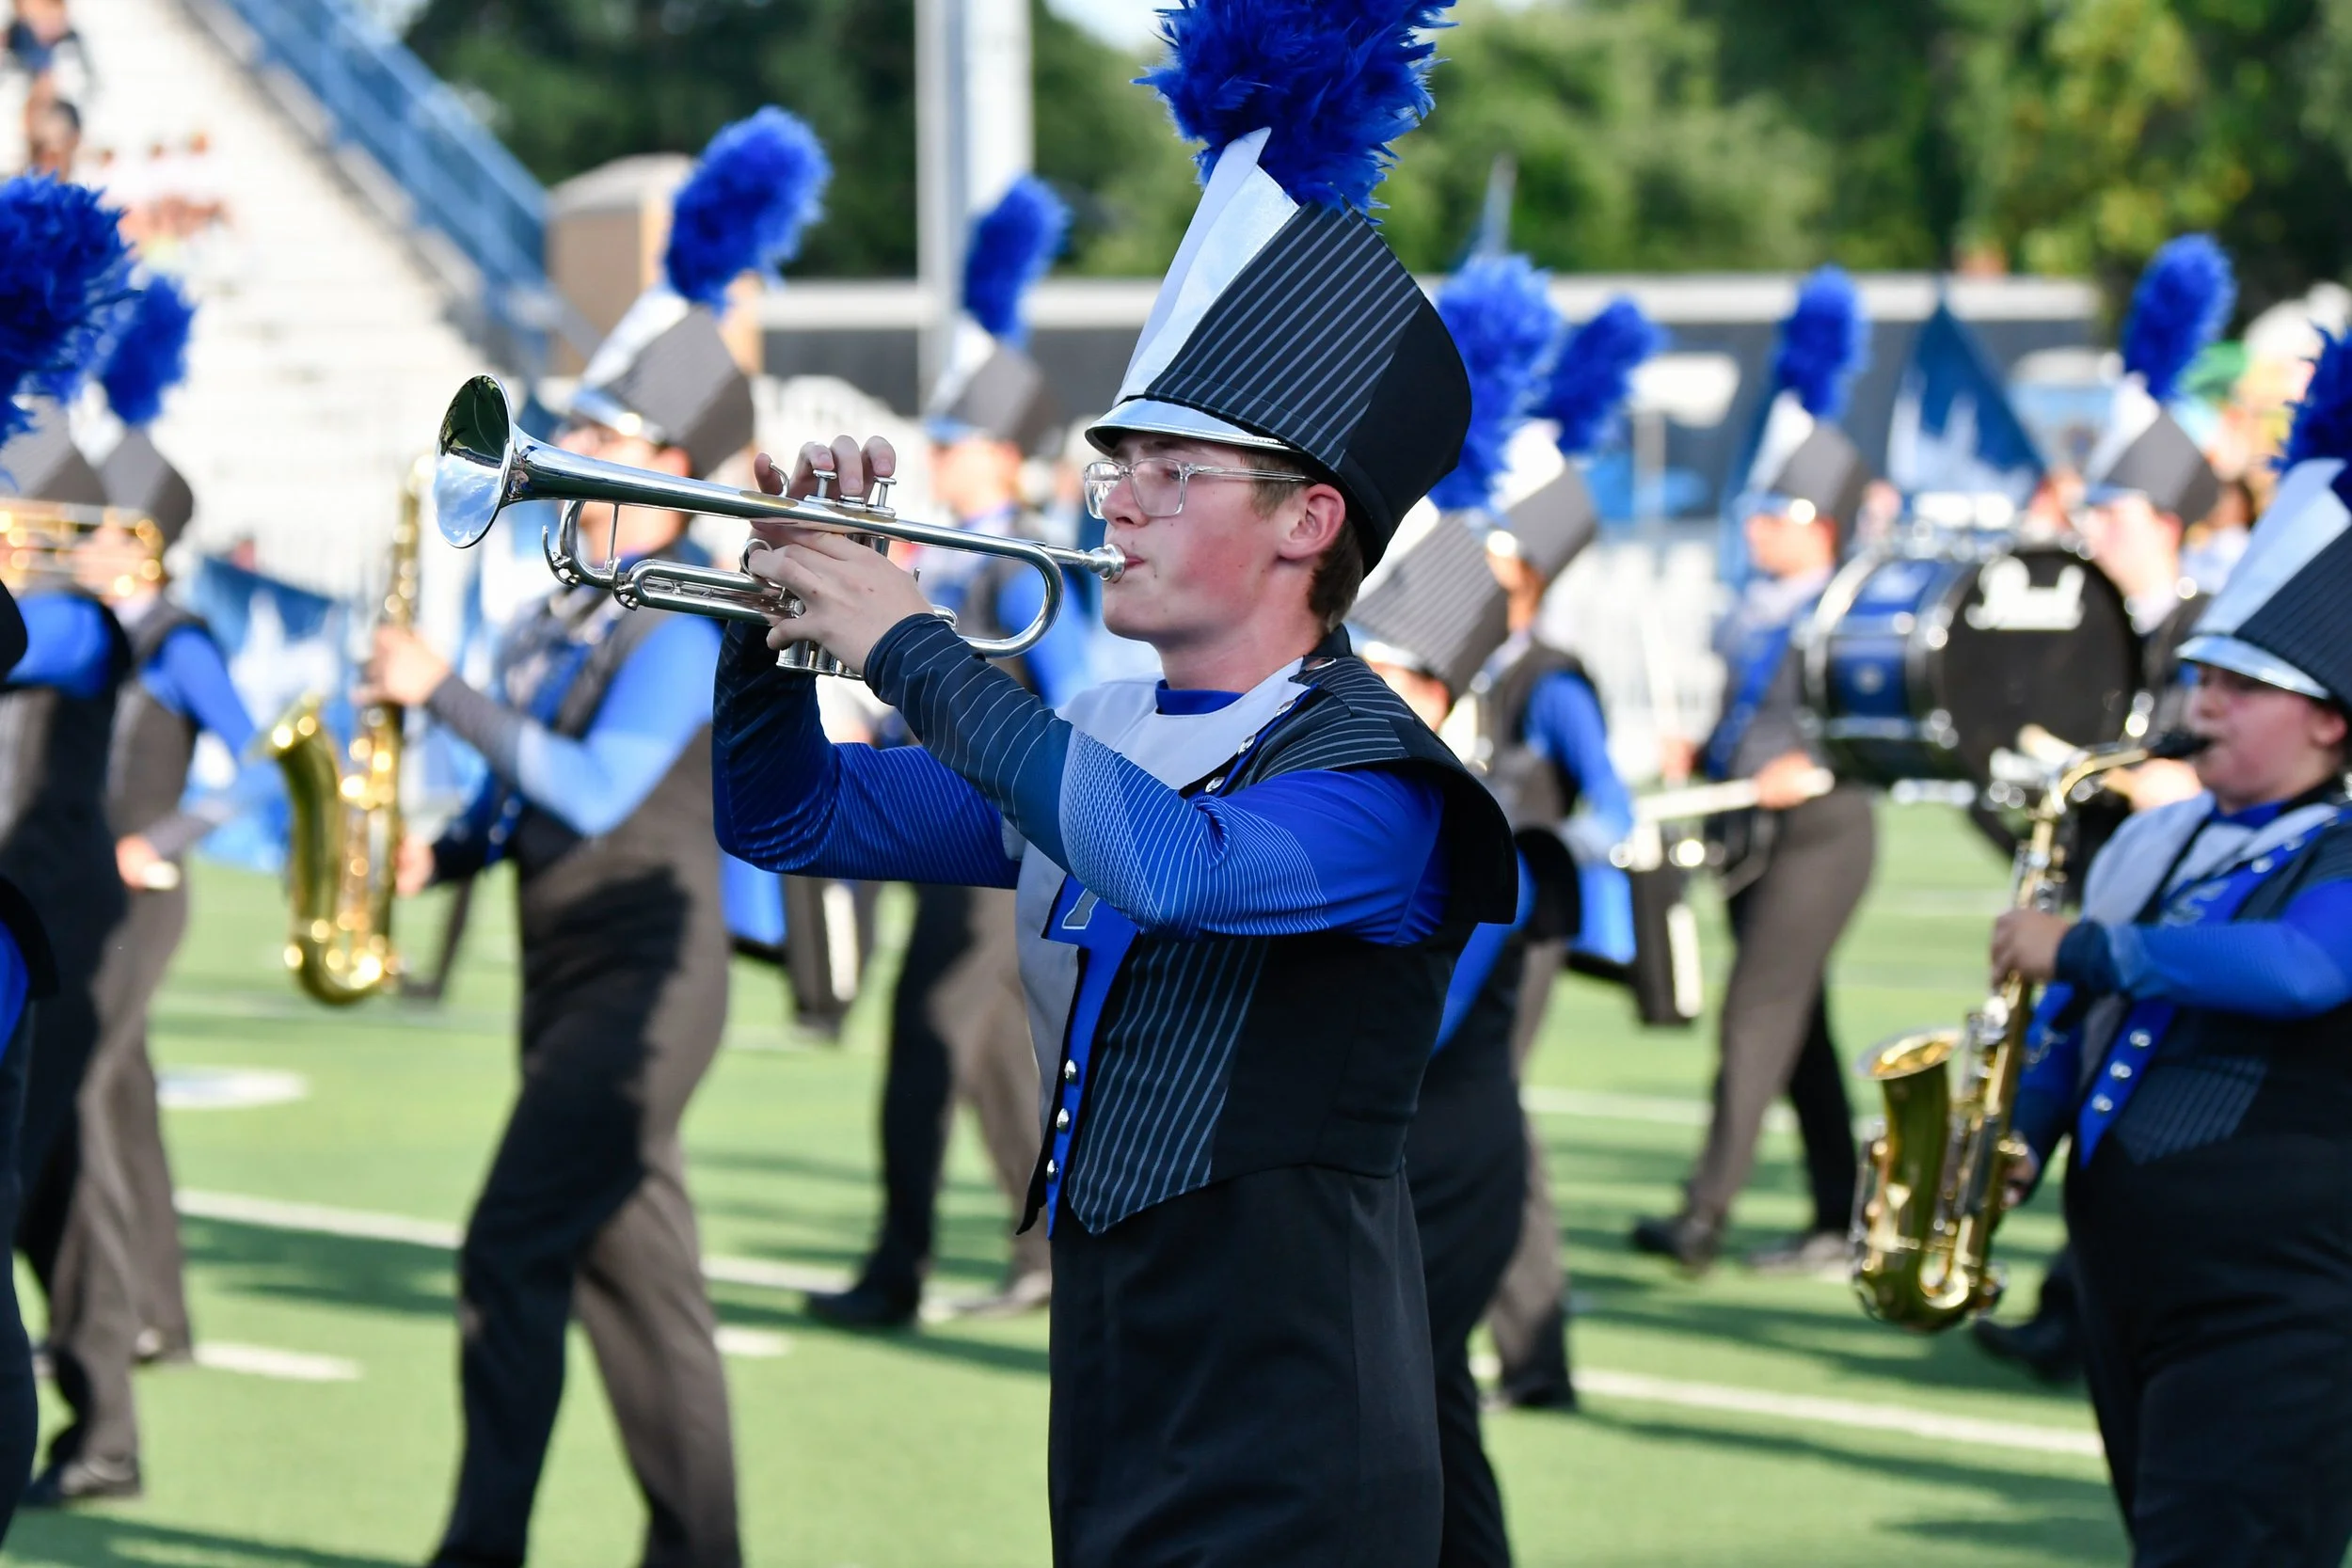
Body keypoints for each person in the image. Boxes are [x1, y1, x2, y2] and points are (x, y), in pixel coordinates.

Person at [712, 8, 1516, 1559]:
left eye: (1171, 470)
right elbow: (790, 818)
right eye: (1116, 463)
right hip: (1117, 1377)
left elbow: (1182, 868)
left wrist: (914, 649)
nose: (1119, 504)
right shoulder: (1109, 721)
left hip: (1300, 1421)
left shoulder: (1385, 783)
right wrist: (778, 625)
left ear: (1306, 522)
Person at [374, 107, 827, 1568]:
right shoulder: (583, 601)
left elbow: (594, 786)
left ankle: (477, 1546)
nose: (571, 454)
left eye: (609, 437)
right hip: (566, 962)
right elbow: (528, 802)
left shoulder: (695, 613)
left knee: (509, 1246)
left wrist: (438, 690)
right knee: (642, 1285)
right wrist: (437, 850)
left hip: (649, 970)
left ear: (680, 460)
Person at [1994, 340, 2352, 1564]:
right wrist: (2020, 1127)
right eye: (2201, 676)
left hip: (2283, 1296)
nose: (2202, 703)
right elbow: (2075, 1025)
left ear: (2326, 716)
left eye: (2240, 685)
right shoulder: (2164, 834)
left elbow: (2305, 970)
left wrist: (2088, 945)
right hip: (2126, 1279)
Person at [807, 173, 1078, 1329]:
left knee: (927, 1044)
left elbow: (1074, 703)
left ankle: (896, 1266)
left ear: (1006, 459)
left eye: (961, 441)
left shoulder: (1022, 568)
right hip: (950, 823)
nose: (944, 454)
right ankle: (1045, 1255)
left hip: (1003, 833)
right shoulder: (967, 561)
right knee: (988, 1061)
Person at [1977, 235, 2237, 1385]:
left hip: (2187, 895)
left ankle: (2079, 1307)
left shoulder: (2210, 627)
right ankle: (2061, 1301)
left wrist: (2159, 780)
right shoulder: (2109, 624)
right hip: (2104, 868)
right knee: (2065, 1066)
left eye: (2115, 508)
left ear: (2167, 518)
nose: (2094, 525)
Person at [19, 280, 232, 1508]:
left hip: (74, 915)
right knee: (65, 1158)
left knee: (68, 1141)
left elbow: (255, 756)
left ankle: (107, 1406)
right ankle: (109, 1395)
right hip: (42, 912)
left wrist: (169, 832)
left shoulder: (96, 629)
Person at [1633, 266, 1876, 1275]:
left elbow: (1869, 722)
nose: (1751, 521)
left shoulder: (1851, 604)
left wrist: (1807, 767)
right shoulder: (1756, 605)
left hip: (1820, 831)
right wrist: (1700, 753)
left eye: (1770, 507)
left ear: (1815, 519)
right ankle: (1843, 1209)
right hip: (1749, 828)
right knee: (1799, 1027)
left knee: (1757, 1013)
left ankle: (1704, 1214)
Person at [1473, 294, 1654, 1408]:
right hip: (1459, 911)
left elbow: (1615, 805)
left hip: (1522, 918)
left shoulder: (1552, 677)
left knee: (1490, 1112)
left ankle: (1535, 1350)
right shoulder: (1470, 666)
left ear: (1526, 574)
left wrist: (1551, 841)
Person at [1353, 511, 1530, 1568]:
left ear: (1438, 692)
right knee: (1423, 1415)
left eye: (1385, 673)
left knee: (1407, 1413)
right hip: (1387, 1155)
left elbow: (1413, 1014)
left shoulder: (1472, 814)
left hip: (1446, 1165)